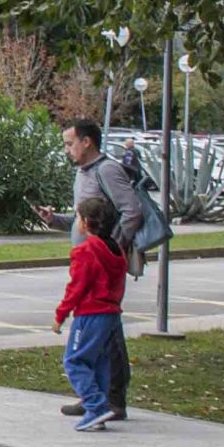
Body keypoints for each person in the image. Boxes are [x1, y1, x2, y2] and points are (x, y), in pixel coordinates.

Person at [35, 117, 146, 421]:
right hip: (88, 262)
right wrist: (55, 220)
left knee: (107, 334)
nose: (66, 149)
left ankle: (112, 400)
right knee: (101, 334)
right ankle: (95, 398)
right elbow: (83, 219)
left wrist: (110, 249)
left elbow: (132, 211)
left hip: (100, 267)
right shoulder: (83, 173)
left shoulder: (107, 170)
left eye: (70, 143)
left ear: (87, 142)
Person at [58, 196, 128, 431]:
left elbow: (76, 287)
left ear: (86, 222)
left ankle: (96, 406)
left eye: (78, 217)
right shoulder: (116, 249)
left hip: (90, 314)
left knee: (75, 360)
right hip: (111, 313)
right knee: (100, 362)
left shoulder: (86, 251)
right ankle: (99, 410)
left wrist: (60, 315)